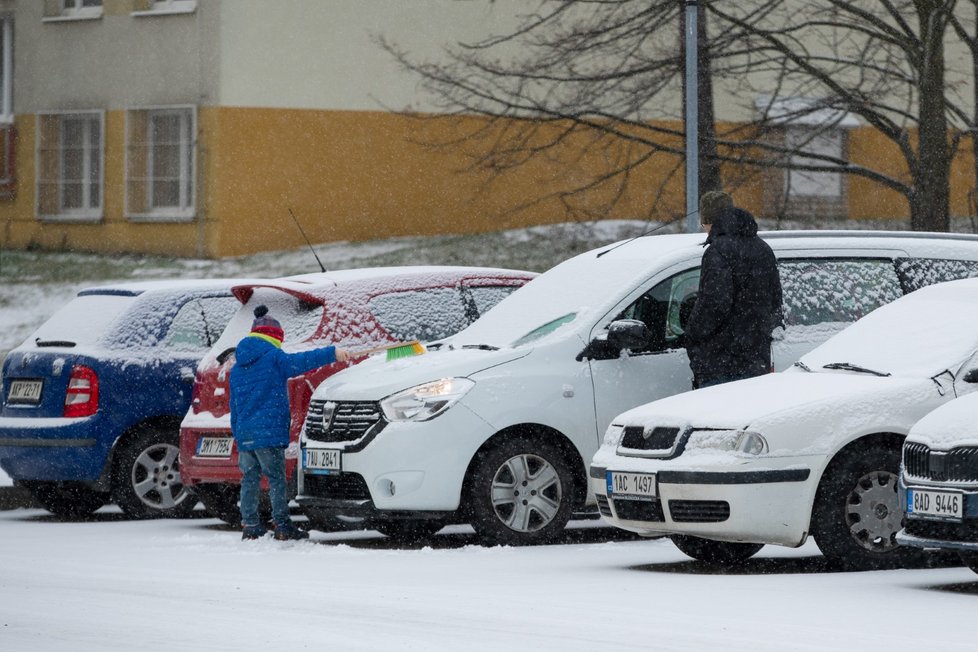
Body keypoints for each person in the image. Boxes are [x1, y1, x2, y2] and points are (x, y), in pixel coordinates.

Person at [229, 305, 350, 540]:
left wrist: (238, 433)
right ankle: (282, 526)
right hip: (268, 432)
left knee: (250, 479)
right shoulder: (273, 357)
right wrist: (332, 353)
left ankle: (250, 526)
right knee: (276, 480)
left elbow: (233, 405)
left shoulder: (237, 367)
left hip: (245, 433)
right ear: (274, 337)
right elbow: (302, 361)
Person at [685, 190, 783, 389]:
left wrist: (693, 334)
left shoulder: (717, 251)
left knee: (716, 418)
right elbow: (775, 300)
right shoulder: (763, 248)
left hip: (721, 361)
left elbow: (714, 303)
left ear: (709, 221)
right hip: (756, 359)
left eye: (703, 224)